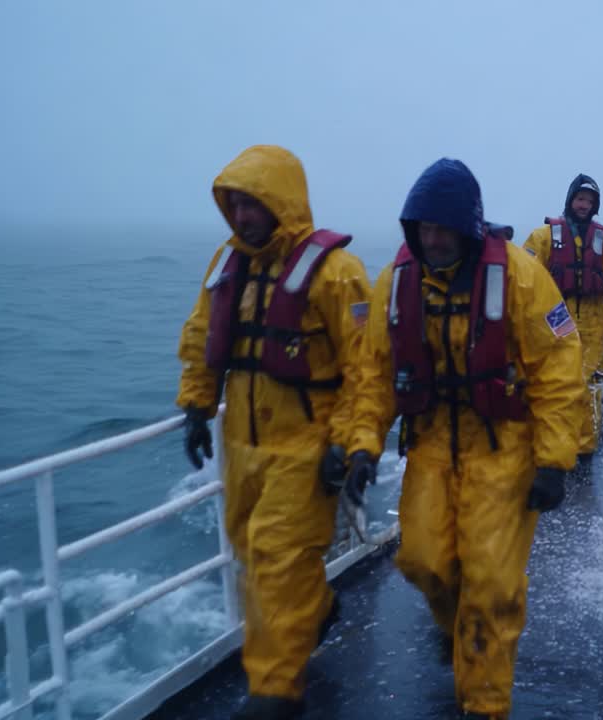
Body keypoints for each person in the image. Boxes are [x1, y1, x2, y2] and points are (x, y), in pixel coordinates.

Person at [343, 158, 582, 719]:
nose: (432, 240)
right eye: (423, 229)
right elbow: (373, 374)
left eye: (442, 230)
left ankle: (485, 703)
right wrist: (361, 447)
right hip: (428, 447)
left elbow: (558, 367)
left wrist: (554, 460)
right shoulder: (397, 283)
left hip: (503, 450)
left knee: (492, 583)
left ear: (467, 229)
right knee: (423, 563)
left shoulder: (519, 277)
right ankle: (461, 632)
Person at [175, 145, 372, 719]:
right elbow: (200, 338)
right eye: (233, 206)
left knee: (277, 557)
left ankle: (276, 691)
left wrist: (351, 442)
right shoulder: (226, 265)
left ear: (279, 203)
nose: (241, 217)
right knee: (248, 550)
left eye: (252, 204)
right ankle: (318, 609)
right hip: (241, 437)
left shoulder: (337, 273)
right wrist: (195, 407)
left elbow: (367, 368)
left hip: (305, 443)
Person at [522, 174, 603, 461]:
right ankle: (550, 450)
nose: (584, 205)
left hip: (593, 321)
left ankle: (584, 451)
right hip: (556, 318)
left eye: (590, 201)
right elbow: (524, 279)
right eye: (580, 199)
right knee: (555, 383)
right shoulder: (543, 237)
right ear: (570, 200)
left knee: (592, 387)